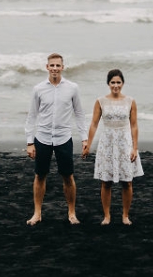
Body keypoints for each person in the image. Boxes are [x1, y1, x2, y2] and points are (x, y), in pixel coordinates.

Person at [24, 53, 88, 225]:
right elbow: (32, 116)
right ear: (47, 67)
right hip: (42, 138)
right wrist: (30, 142)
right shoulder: (38, 89)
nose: (54, 68)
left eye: (57, 65)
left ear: (62, 67)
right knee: (40, 175)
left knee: (68, 176)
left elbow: (79, 114)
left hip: (64, 138)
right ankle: (37, 213)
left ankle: (72, 213)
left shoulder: (72, 88)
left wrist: (84, 138)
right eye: (51, 65)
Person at [82, 69, 143, 225]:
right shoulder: (101, 101)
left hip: (124, 141)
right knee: (106, 181)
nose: (115, 85)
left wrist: (134, 147)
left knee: (127, 181)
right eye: (112, 82)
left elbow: (134, 125)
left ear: (123, 83)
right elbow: (94, 124)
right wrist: (88, 144)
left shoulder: (130, 101)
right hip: (107, 142)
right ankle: (107, 216)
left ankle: (125, 215)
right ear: (108, 84)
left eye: (118, 82)